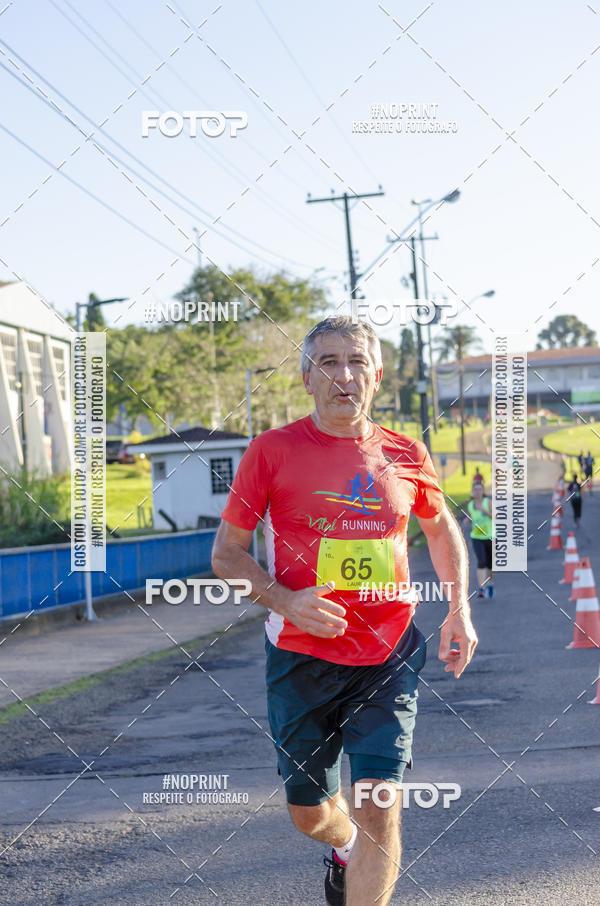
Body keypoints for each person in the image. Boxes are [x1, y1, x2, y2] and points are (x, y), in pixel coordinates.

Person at [212, 317, 478, 906]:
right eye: (328, 362)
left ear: (376, 375)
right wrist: (285, 601)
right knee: (309, 812)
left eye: (356, 361)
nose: (344, 375)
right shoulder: (271, 451)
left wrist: (458, 607)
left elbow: (440, 530)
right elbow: (226, 554)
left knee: (381, 803)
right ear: (307, 378)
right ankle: (343, 845)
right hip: (299, 656)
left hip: (387, 653)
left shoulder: (406, 453)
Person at [462, 481, 494, 598]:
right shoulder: (471, 504)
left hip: (490, 536)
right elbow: (471, 514)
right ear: (472, 492)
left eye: (480, 489)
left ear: (483, 491)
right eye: (475, 490)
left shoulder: (487, 502)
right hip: (476, 537)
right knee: (481, 562)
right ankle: (481, 588)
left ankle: (490, 583)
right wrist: (467, 519)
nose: (478, 492)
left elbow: (497, 516)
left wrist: (483, 510)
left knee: (490, 565)